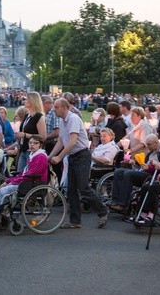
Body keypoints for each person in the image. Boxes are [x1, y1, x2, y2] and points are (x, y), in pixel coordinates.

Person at [49, 98, 109, 229]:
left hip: (81, 155)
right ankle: (75, 221)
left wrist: (59, 157)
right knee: (71, 190)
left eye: (57, 107)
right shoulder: (62, 121)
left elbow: (72, 141)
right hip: (73, 156)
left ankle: (102, 211)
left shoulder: (73, 119)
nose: (55, 109)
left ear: (65, 107)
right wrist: (50, 156)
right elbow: (60, 141)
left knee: (83, 187)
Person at [0, 135, 48, 223]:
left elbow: (30, 174)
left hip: (33, 184)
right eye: (30, 143)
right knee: (0, 190)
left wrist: (12, 182)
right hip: (27, 181)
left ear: (40, 145)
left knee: (2, 192)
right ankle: (1, 215)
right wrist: (8, 181)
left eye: (35, 143)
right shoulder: (33, 156)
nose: (32, 145)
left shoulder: (41, 157)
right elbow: (23, 173)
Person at [109, 134, 160, 213]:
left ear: (156, 143)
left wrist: (151, 166)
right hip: (144, 171)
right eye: (147, 144)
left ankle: (123, 204)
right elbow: (142, 165)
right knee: (118, 171)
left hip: (152, 175)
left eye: (149, 144)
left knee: (128, 174)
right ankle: (115, 200)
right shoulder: (150, 152)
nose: (147, 146)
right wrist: (133, 162)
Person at [14, 92, 46, 174]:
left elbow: (43, 136)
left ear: (32, 101)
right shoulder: (27, 115)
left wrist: (25, 135)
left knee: (28, 175)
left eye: (26, 99)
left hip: (32, 151)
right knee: (20, 173)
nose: (24, 101)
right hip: (23, 149)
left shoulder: (39, 117)